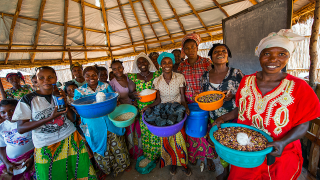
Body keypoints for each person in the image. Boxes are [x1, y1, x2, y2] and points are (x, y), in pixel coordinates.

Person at [214, 29, 320, 180]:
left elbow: (304, 124)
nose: (273, 60)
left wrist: (283, 142)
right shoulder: (247, 81)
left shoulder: (299, 87)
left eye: (281, 54)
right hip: (246, 150)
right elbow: (241, 109)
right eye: (267, 53)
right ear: (260, 55)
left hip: (280, 153)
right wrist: (223, 118)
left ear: (288, 57)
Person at [12, 66, 97, 180]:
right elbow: (21, 128)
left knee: (81, 173)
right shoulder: (28, 99)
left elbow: (71, 119)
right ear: (36, 80)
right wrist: (50, 118)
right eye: (41, 77)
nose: (46, 80)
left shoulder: (59, 95)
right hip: (46, 146)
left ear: (55, 78)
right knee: (51, 176)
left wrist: (65, 104)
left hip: (71, 138)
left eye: (50, 77)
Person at [73, 66, 130, 178]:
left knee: (117, 144)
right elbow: (78, 108)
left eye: (94, 75)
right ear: (84, 77)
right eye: (88, 75)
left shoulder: (105, 86)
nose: (91, 78)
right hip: (93, 126)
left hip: (109, 121)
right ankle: (107, 169)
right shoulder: (79, 91)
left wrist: (116, 102)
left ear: (97, 75)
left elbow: (114, 99)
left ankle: (122, 166)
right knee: (99, 147)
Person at [143, 52, 192, 176]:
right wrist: (148, 106)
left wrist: (185, 107)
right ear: (160, 64)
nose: (167, 65)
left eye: (169, 62)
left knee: (179, 140)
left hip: (177, 111)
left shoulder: (180, 77)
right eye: (164, 63)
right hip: (164, 111)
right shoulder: (157, 81)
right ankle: (173, 163)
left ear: (173, 63)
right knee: (167, 141)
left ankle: (183, 163)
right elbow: (158, 100)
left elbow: (182, 96)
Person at [201, 43, 244, 179]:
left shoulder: (236, 73)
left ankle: (237, 173)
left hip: (233, 117)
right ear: (211, 57)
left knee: (235, 146)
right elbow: (205, 97)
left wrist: (234, 96)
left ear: (228, 55)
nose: (220, 53)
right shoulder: (205, 76)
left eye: (223, 51)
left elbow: (246, 96)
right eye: (216, 52)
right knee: (221, 147)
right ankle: (225, 172)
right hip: (214, 118)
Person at [177, 33, 215, 169]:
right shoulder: (182, 66)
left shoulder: (206, 62)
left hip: (205, 102)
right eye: (187, 48)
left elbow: (213, 81)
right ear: (184, 51)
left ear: (197, 47)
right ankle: (194, 155)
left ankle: (209, 156)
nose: (190, 50)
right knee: (192, 130)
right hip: (189, 102)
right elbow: (180, 86)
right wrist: (184, 104)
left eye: (193, 47)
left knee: (206, 128)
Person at [128, 53, 162, 162]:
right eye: (139, 63)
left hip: (156, 106)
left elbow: (159, 92)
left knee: (157, 130)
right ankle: (151, 155)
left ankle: (160, 154)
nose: (142, 64)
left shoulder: (157, 74)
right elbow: (130, 93)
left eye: (144, 61)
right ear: (136, 65)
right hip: (143, 109)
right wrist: (132, 96)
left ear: (148, 62)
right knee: (146, 131)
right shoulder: (133, 77)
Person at [109, 60, 142, 160]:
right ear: (112, 71)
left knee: (139, 130)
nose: (117, 70)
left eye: (119, 68)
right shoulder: (112, 84)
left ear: (123, 68)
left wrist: (135, 100)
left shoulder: (130, 77)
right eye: (114, 69)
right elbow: (113, 99)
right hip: (124, 112)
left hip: (136, 107)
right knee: (129, 133)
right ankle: (133, 153)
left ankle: (140, 150)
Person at [0, 99, 35, 180]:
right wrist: (7, 163)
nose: (8, 114)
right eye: (3, 112)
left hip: (31, 158)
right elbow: (1, 147)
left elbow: (40, 141)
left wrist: (32, 158)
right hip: (11, 162)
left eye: (12, 110)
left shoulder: (29, 122)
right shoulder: (1, 127)